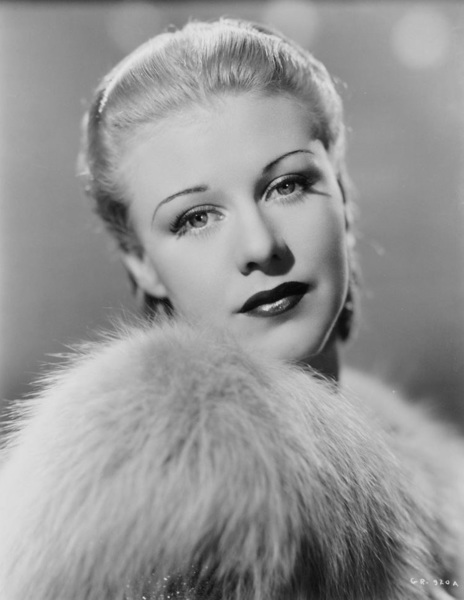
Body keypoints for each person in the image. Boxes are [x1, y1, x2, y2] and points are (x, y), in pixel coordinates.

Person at [0, 17, 463, 600]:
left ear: (342, 195)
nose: (260, 246)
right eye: (196, 218)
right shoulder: (171, 515)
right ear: (142, 262)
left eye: (288, 185)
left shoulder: (411, 466)